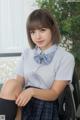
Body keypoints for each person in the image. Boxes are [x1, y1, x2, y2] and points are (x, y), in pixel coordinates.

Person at [0, 9, 75, 120]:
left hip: (46, 103)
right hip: (23, 101)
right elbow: (18, 84)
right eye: (33, 32)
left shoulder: (66, 57)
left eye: (42, 30)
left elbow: (54, 93)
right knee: (11, 84)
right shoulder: (26, 53)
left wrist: (32, 91)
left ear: (53, 29)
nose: (37, 36)